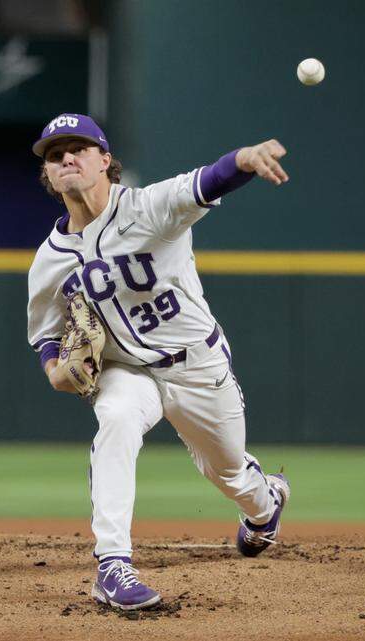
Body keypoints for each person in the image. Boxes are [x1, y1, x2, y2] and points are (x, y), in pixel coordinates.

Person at [26, 113, 291, 611]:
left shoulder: (148, 207)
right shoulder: (50, 258)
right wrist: (54, 370)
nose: (66, 158)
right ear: (48, 174)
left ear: (105, 161)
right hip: (127, 370)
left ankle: (265, 505)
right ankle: (113, 566)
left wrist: (245, 161)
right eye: (55, 154)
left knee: (228, 471)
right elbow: (45, 334)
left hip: (195, 365)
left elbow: (209, 180)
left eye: (78, 148)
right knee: (117, 420)